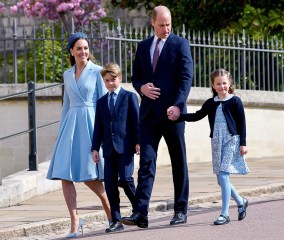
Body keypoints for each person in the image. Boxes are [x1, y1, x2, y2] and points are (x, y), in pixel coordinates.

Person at [121, 5, 193, 228]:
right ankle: (140, 213)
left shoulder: (180, 44)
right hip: (149, 116)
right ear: (152, 23)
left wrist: (178, 106)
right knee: (146, 164)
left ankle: (180, 210)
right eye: (162, 25)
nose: (166, 28)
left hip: (173, 114)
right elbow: (136, 77)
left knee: (178, 162)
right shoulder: (143, 47)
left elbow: (186, 78)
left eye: (169, 24)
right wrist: (141, 88)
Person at [46, 32, 111, 238]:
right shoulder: (67, 74)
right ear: (71, 52)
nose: (83, 52)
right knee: (65, 174)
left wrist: (106, 132)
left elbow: (104, 103)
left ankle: (110, 210)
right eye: (79, 48)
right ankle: (75, 221)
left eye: (86, 48)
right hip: (70, 125)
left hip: (91, 124)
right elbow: (66, 104)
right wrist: (61, 133)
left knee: (88, 173)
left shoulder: (97, 72)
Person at [168, 68, 250, 225]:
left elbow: (242, 123)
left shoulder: (235, 101)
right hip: (216, 142)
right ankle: (241, 201)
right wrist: (178, 117)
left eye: (224, 83)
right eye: (218, 84)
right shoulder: (210, 103)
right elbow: (197, 116)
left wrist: (243, 143)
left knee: (224, 175)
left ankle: (224, 214)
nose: (222, 86)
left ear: (229, 83)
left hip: (232, 140)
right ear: (213, 85)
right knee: (221, 179)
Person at [91, 63, 140, 233]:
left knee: (125, 179)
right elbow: (98, 127)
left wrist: (138, 141)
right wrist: (95, 148)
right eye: (107, 81)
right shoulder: (102, 102)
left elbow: (136, 122)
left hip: (125, 147)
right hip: (109, 149)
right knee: (110, 185)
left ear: (119, 78)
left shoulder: (130, 97)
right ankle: (116, 220)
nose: (110, 83)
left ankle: (139, 209)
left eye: (113, 80)